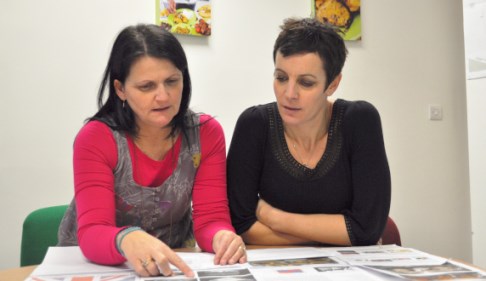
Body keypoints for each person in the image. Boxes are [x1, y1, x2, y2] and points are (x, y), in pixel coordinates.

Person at [58, 24, 246, 278]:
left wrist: (221, 237)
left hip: (169, 266)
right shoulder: (96, 138)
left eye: (172, 81)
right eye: (146, 86)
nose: (163, 96)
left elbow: (211, 219)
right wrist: (127, 239)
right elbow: (92, 232)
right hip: (97, 267)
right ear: (120, 89)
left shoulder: (206, 133)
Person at [227, 18, 391, 247]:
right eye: (281, 78)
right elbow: (241, 225)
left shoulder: (359, 120)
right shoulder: (254, 124)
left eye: (306, 83)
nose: (289, 93)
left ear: (333, 84)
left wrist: (275, 218)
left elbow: (367, 228)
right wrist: (338, 233)